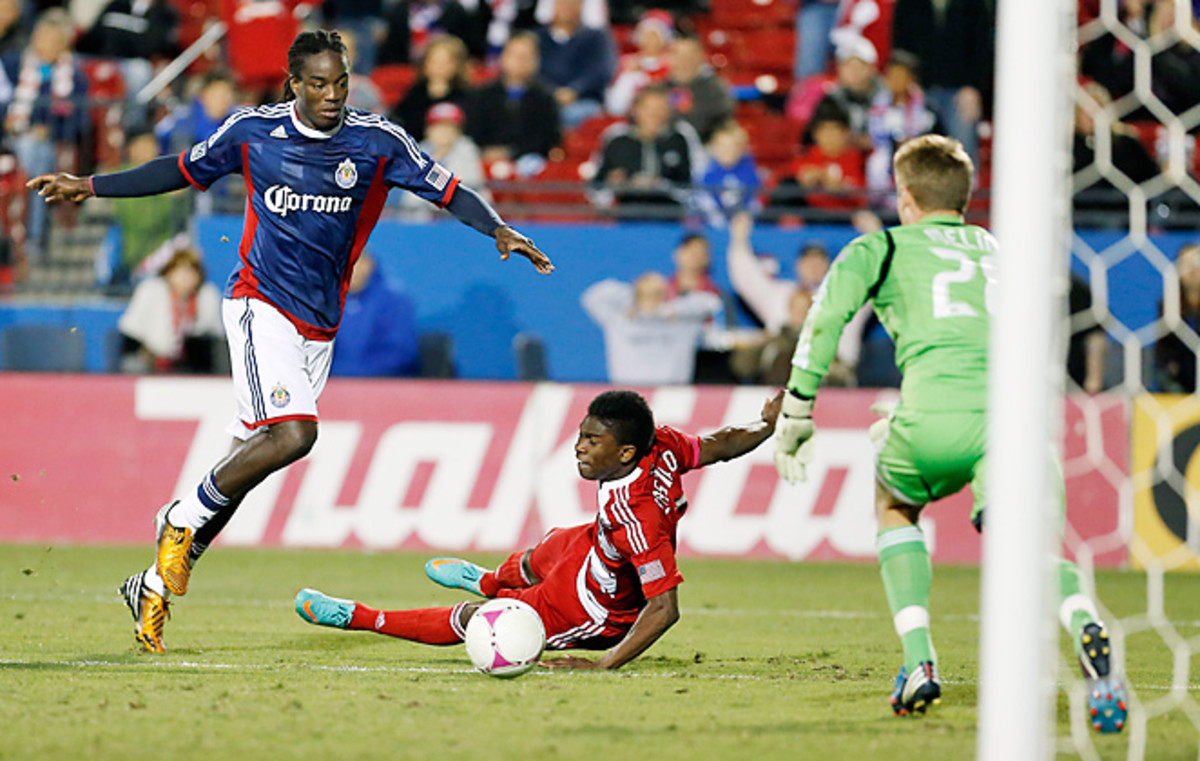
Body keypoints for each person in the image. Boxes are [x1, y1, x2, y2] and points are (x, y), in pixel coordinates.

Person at [28, 29, 553, 654]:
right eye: (319, 84)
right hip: (259, 304)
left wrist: (497, 228)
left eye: (341, 83)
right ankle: (179, 519)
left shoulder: (378, 142)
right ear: (294, 85)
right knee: (295, 434)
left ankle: (151, 586)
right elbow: (181, 169)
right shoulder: (253, 131)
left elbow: (449, 189)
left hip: (318, 326)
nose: (332, 95)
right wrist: (91, 185)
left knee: (243, 465)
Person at [771, 135, 1127, 726]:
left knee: (894, 505)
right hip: (1017, 422)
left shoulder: (881, 246)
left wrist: (797, 411)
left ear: (905, 195)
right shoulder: (997, 249)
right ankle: (1085, 623)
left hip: (933, 418)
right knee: (1032, 547)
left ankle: (919, 660)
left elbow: (825, 318)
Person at [295, 388, 783, 670]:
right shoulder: (662, 444)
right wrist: (766, 426)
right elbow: (720, 444)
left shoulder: (638, 521)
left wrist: (605, 663)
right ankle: (490, 579)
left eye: (593, 441)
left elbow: (663, 609)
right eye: (581, 434)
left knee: (483, 622)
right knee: (547, 547)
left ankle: (359, 616)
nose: (579, 447)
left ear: (625, 452)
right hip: (597, 547)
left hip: (595, 607)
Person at [725, 211, 857, 386]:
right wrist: (739, 239)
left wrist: (876, 235)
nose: (814, 266)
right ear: (798, 265)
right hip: (779, 377)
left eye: (819, 261)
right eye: (809, 261)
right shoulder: (780, 292)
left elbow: (875, 281)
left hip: (830, 378)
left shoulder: (839, 295)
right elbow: (746, 278)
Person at [581, 271, 720, 385]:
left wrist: (675, 309)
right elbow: (592, 296)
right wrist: (630, 300)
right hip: (627, 394)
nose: (651, 298)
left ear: (666, 294)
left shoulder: (683, 322)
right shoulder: (621, 320)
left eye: (657, 293)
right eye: (646, 294)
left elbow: (712, 303)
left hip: (672, 395)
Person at [592, 84, 702, 216]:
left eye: (661, 109)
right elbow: (596, 188)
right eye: (649, 109)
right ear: (636, 109)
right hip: (625, 217)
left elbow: (698, 184)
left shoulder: (681, 138)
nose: (654, 115)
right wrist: (615, 187)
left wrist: (661, 185)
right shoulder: (616, 139)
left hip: (671, 216)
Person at [466, 31, 561, 172]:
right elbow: (472, 132)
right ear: (503, 58)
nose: (520, 62)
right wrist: (487, 151)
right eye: (515, 56)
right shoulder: (481, 95)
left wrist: (511, 152)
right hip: (484, 160)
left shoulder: (546, 99)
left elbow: (548, 139)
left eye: (526, 57)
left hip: (529, 164)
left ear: (536, 61)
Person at [118, 247, 223, 373]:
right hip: (150, 361)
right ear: (169, 273)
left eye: (191, 272)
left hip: (191, 366)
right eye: (180, 271)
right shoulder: (151, 290)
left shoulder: (207, 295)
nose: (186, 278)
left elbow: (214, 338)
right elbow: (130, 334)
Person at [330, 252, 420, 377]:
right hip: (332, 383)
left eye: (357, 263)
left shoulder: (395, 301)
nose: (352, 270)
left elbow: (400, 352)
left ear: (369, 264)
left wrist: (352, 372)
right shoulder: (326, 299)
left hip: (385, 382)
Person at [535, 0, 615, 128]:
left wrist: (575, 90)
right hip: (543, 98)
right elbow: (532, 71)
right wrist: (551, 93)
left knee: (575, 115)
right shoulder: (538, 37)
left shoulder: (597, 38)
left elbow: (601, 71)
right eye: (562, 3)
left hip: (583, 100)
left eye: (573, 3)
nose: (567, 7)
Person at [387, 34, 472, 143]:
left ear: (457, 65)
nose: (439, 67)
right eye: (434, 61)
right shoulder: (413, 95)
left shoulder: (467, 98)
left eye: (445, 62)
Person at [664, 36, 733, 143]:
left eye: (689, 57)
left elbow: (720, 122)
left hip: (706, 146)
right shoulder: (658, 89)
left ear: (701, 58)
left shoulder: (715, 89)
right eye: (679, 56)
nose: (683, 62)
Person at [1155, 243, 1200, 393]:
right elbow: (1164, 351)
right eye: (1185, 264)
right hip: (1179, 385)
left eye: (1197, 262)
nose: (1192, 270)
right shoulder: (1168, 305)